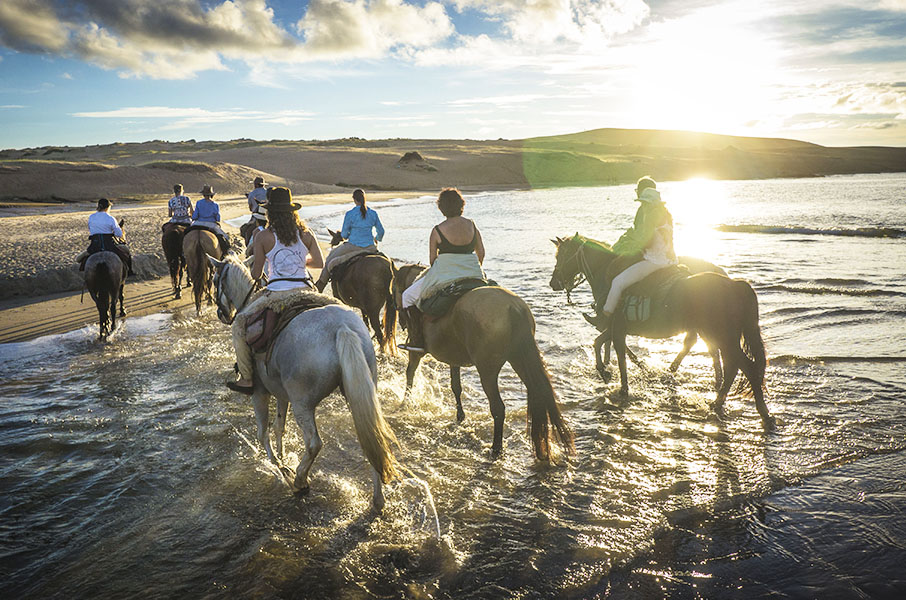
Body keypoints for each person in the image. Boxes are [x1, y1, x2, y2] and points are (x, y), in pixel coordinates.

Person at [227, 187, 324, 394]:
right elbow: (318, 262)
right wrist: (298, 261)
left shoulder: (263, 236)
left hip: (277, 294)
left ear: (269, 212)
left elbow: (255, 275)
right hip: (306, 289)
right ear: (292, 211)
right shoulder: (306, 233)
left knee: (238, 326)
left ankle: (246, 378)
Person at [399, 188, 485, 353]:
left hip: (445, 275)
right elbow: (481, 253)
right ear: (461, 205)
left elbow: (432, 260)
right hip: (473, 272)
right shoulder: (472, 225)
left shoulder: (437, 230)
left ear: (442, 208)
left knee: (407, 297)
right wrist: (473, 269)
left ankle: (417, 340)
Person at [584, 176, 677, 329]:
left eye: (643, 202)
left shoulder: (650, 215)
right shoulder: (666, 213)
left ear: (648, 202)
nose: (642, 204)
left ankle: (604, 319)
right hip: (670, 259)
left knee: (617, 283)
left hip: (654, 260)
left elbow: (643, 240)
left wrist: (625, 248)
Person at [315, 189, 385, 292]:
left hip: (352, 246)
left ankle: (320, 286)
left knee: (330, 259)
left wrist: (349, 234)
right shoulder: (373, 213)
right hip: (371, 247)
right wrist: (376, 238)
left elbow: (344, 235)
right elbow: (381, 231)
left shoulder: (350, 214)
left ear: (354, 199)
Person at [78, 197, 134, 275]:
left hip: (94, 246)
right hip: (109, 245)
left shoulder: (91, 217)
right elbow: (119, 234)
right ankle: (130, 272)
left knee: (79, 259)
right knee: (126, 252)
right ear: (108, 207)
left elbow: (91, 231)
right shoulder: (110, 218)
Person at [192, 184, 231, 254]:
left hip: (198, 223)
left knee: (186, 232)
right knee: (226, 238)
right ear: (211, 195)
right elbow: (217, 218)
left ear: (203, 194)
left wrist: (194, 218)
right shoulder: (215, 204)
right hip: (211, 224)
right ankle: (225, 253)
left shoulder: (199, 203)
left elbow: (195, 216)